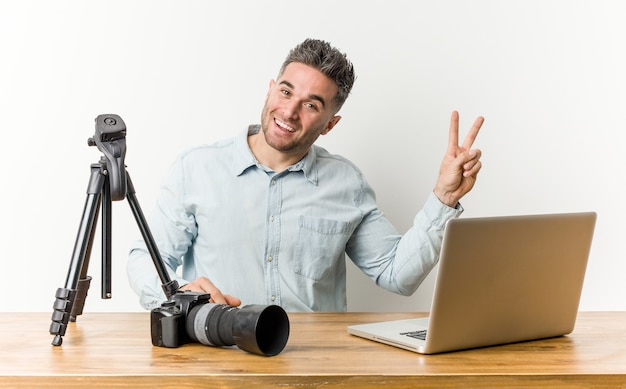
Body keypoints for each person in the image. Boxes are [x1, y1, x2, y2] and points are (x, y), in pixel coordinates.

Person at [127, 38, 484, 312]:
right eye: (285, 92)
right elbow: (145, 258)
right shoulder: (197, 168)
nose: (290, 111)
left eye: (311, 105)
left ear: (330, 124)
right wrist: (178, 294)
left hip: (314, 364)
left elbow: (397, 275)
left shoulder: (347, 184)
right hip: (220, 358)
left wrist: (444, 198)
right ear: (270, 89)